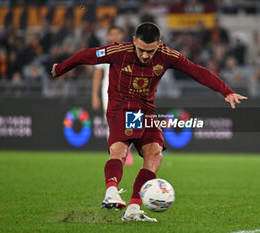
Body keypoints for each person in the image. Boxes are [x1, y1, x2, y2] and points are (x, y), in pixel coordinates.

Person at [51, 22, 247, 222]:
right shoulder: (119, 51)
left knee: (155, 155)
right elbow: (86, 56)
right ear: (134, 41)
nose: (145, 55)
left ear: (159, 44)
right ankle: (111, 192)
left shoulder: (167, 55)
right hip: (123, 106)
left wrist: (226, 91)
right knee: (120, 150)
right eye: (142, 50)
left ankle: (134, 208)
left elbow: (197, 71)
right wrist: (60, 68)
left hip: (147, 110)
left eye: (150, 51)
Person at [91, 25, 133, 166]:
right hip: (109, 92)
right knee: (112, 123)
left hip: (129, 92)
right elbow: (98, 75)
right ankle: (115, 152)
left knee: (132, 121)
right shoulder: (103, 52)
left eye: (117, 33)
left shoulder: (130, 51)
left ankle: (127, 150)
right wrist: (94, 95)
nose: (115, 36)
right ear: (108, 36)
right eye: (112, 34)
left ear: (122, 34)